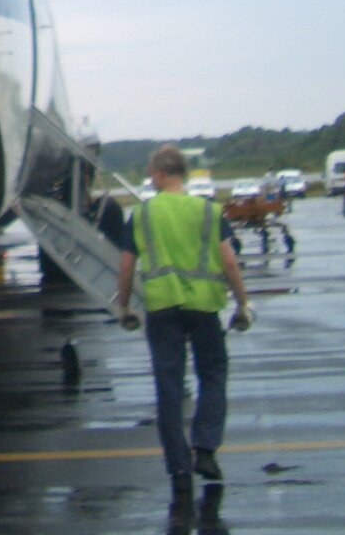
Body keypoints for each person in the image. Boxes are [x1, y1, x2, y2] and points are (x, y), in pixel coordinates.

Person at [115, 143, 252, 496]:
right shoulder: (207, 211)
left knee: (169, 385)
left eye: (151, 173)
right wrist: (243, 305)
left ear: (161, 174)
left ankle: (177, 464)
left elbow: (127, 264)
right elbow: (230, 262)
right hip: (204, 307)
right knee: (213, 373)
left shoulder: (143, 214)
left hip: (162, 309)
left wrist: (125, 307)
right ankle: (205, 449)